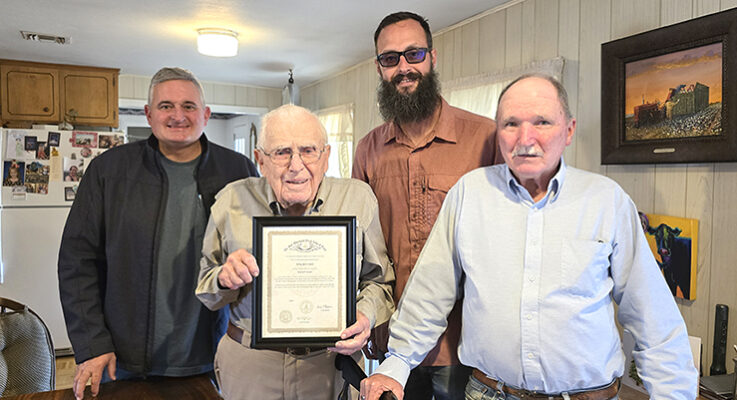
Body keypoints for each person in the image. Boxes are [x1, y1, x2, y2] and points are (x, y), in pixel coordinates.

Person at [360, 74, 698, 400]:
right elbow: (430, 292)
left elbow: (653, 318)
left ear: (569, 130)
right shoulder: (470, 194)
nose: (525, 138)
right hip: (489, 393)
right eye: (511, 124)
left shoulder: (606, 200)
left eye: (542, 122)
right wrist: (397, 363)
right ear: (498, 133)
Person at [58, 67, 259, 400]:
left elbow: (260, 251)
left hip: (213, 352)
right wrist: (92, 343)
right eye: (166, 106)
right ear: (149, 115)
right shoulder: (109, 171)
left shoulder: (238, 171)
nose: (178, 115)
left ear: (205, 115)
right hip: (121, 358)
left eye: (189, 106)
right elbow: (78, 262)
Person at [196, 104, 395, 400]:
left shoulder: (357, 199)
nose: (296, 165)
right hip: (251, 364)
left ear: (326, 156)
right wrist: (225, 279)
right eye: (281, 152)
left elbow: (379, 281)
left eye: (308, 150)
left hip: (329, 365)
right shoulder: (231, 200)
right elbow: (207, 291)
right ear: (260, 160)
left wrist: (365, 315)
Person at [352, 11, 499, 400]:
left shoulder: (485, 138)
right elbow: (359, 250)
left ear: (433, 57)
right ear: (379, 68)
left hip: (465, 342)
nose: (403, 67)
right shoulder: (368, 150)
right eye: (390, 59)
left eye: (413, 54)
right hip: (391, 340)